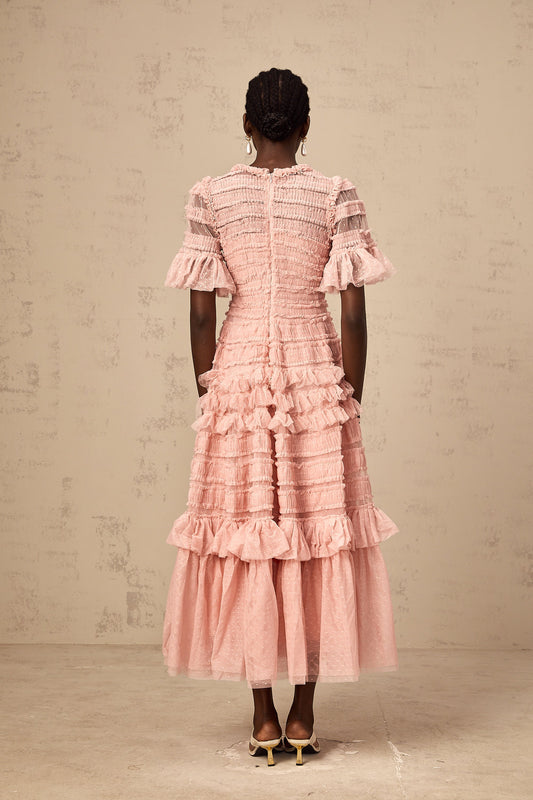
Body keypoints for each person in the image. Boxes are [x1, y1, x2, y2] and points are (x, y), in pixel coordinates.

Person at [162, 67, 399, 767]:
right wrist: (349, 391)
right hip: (313, 370)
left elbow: (199, 312)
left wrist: (209, 390)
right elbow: (352, 310)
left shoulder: (209, 196)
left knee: (251, 532)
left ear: (246, 125)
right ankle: (304, 711)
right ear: (305, 126)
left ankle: (262, 715)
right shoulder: (335, 194)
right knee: (313, 528)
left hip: (237, 373)